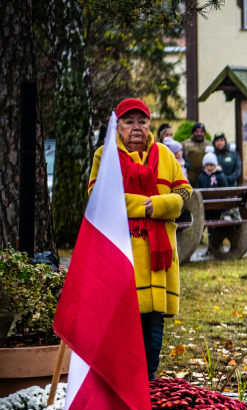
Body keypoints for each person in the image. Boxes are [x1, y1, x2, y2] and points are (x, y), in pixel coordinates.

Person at [89, 98, 191, 381]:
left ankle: (148, 382)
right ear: (118, 127)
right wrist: (143, 205)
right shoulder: (105, 155)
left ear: (150, 126)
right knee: (121, 324)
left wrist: (157, 207)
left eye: (142, 121)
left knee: (153, 324)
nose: (136, 127)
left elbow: (184, 194)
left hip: (159, 258)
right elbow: (97, 198)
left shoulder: (165, 155)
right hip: (122, 257)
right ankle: (123, 384)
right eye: (129, 122)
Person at [182, 122, 212, 188]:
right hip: (190, 180)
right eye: (197, 131)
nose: (199, 133)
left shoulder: (209, 145)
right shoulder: (185, 144)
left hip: (205, 179)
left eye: (201, 131)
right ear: (193, 132)